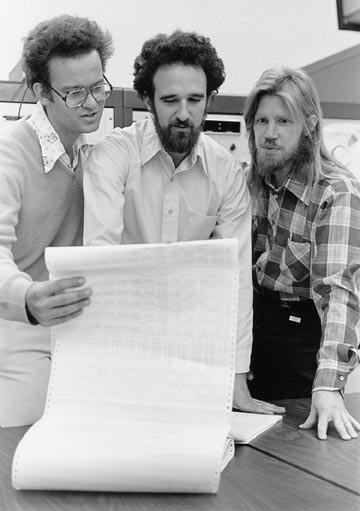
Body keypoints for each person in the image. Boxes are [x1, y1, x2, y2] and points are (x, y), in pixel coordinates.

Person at [84, 30, 284, 416]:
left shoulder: (225, 174)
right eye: (170, 100)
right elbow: (100, 260)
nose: (183, 114)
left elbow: (235, 279)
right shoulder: (113, 157)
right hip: (121, 338)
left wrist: (237, 380)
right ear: (147, 100)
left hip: (190, 347)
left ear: (210, 99)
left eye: (195, 100)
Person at [0, 15, 114, 427]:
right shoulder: (9, 157)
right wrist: (26, 298)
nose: (93, 102)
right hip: (17, 328)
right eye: (75, 92)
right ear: (40, 93)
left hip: (74, 329)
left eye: (98, 86)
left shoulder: (93, 154)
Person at [244, 67, 360, 440]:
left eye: (283, 121)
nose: (270, 133)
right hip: (252, 335)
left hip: (303, 347)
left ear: (309, 126)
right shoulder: (249, 181)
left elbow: (338, 292)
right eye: (262, 120)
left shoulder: (335, 193)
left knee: (297, 457)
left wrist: (328, 385)